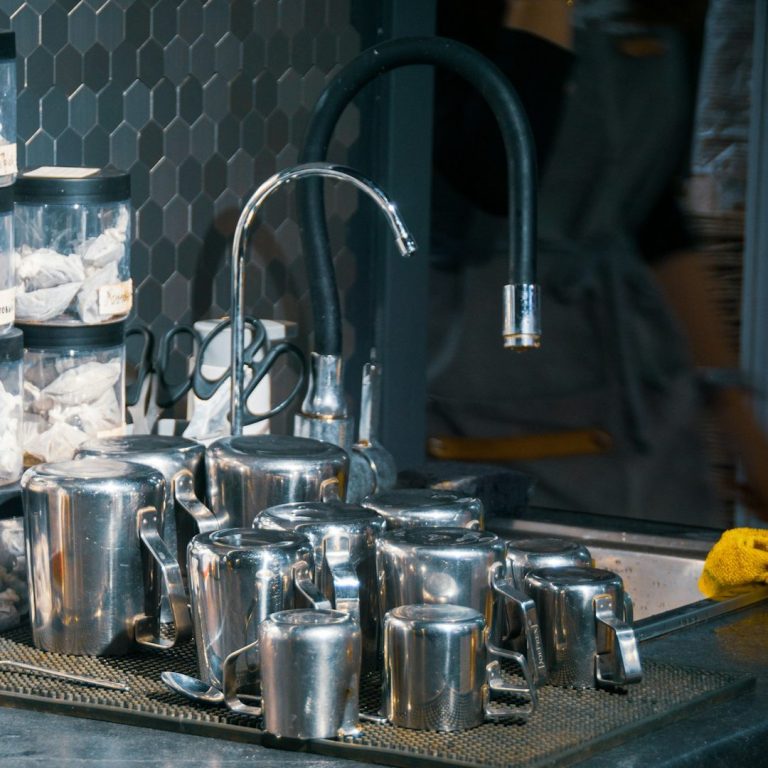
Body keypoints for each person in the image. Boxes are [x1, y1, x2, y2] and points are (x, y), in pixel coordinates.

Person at [427, 0, 768, 527]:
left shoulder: (668, 18)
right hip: (488, 372)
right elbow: (496, 174)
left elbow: (656, 223)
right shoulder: (454, 17)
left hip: (636, 377)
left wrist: (737, 414)